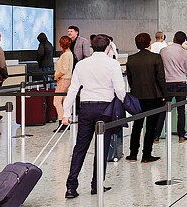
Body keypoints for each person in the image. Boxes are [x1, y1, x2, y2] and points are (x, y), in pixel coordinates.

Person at [62, 34, 125, 198]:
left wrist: (66, 112)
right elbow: (120, 90)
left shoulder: (82, 64)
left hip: (86, 108)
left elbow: (73, 89)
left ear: (91, 47)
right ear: (107, 47)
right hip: (106, 109)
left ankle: (71, 187)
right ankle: (96, 185)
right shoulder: (113, 64)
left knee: (80, 147)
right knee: (101, 148)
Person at [125, 33, 164, 163]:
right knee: (150, 126)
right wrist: (165, 95)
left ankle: (133, 153)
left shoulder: (131, 59)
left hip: (136, 96)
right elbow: (160, 78)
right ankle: (146, 154)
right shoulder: (156, 58)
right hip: (153, 96)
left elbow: (130, 80)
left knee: (137, 125)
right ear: (149, 44)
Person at [159, 31, 187, 143]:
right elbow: (185, 69)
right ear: (184, 41)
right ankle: (181, 136)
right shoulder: (186, 53)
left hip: (167, 83)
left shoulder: (163, 51)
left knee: (163, 109)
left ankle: (156, 135)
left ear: (174, 38)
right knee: (181, 110)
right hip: (181, 82)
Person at [53, 35, 74, 132]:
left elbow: (64, 69)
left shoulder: (66, 55)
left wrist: (57, 75)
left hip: (63, 79)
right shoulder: (69, 54)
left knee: (57, 101)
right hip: (67, 79)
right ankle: (65, 120)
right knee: (65, 101)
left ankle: (62, 121)